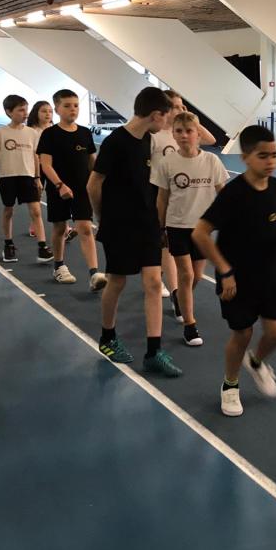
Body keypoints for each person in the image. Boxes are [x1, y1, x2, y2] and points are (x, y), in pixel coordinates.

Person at [193, 125, 276, 415]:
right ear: (245, 158)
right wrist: (225, 271)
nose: (271, 161)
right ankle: (230, 385)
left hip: (268, 273)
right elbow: (200, 233)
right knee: (242, 334)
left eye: (274, 155)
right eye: (262, 156)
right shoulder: (233, 194)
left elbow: (267, 216)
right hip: (236, 278)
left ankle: (255, 362)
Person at [87, 87, 180, 377]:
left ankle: (154, 351)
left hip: (147, 222)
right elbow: (93, 184)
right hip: (120, 224)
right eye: (166, 116)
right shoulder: (116, 142)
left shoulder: (148, 140)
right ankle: (108, 337)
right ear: (155, 115)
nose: (167, 122)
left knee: (153, 282)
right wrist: (102, 217)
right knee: (117, 282)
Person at [153, 111, 228, 346]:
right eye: (179, 131)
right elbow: (162, 199)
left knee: (196, 276)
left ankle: (179, 297)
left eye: (189, 131)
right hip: (177, 226)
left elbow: (223, 194)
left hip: (202, 229)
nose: (184, 135)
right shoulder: (167, 163)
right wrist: (160, 227)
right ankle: (190, 325)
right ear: (173, 135)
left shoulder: (211, 161)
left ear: (198, 135)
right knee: (185, 275)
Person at [151, 90, 216, 319]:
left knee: (192, 271)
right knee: (168, 249)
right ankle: (175, 292)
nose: (179, 110)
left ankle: (178, 292)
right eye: (175, 107)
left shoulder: (186, 132)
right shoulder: (156, 135)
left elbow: (211, 140)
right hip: (162, 191)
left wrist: (190, 117)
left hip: (189, 198)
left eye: (182, 106)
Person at [37, 89, 107, 290]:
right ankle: (59, 266)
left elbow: (92, 162)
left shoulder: (84, 133)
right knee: (60, 228)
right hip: (58, 189)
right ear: (57, 109)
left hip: (82, 189)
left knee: (85, 227)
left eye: (76, 105)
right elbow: (45, 164)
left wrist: (103, 180)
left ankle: (94, 273)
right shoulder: (49, 134)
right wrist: (59, 185)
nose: (73, 109)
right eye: (67, 106)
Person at [0, 94, 53, 265]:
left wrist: (37, 178)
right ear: (9, 112)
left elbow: (35, 156)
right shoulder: (0, 133)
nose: (25, 113)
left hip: (28, 177)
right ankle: (8, 244)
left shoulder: (32, 133)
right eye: (21, 110)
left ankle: (42, 246)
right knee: (8, 211)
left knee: (36, 211)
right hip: (8, 177)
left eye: (26, 110)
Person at [26, 100, 53, 240]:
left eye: (50, 111)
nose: (48, 114)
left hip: (52, 166)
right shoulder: (32, 131)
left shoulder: (54, 129)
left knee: (56, 194)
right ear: (36, 113)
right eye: (44, 111)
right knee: (37, 195)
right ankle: (34, 225)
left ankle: (65, 228)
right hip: (36, 167)